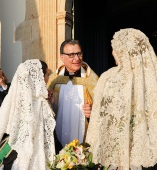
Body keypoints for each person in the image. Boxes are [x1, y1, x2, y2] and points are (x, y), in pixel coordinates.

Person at [86, 28, 157, 170]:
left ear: (122, 51)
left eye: (114, 49)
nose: (113, 53)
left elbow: (104, 116)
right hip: (143, 152)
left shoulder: (110, 77)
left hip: (114, 153)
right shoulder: (151, 78)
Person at [0, 59, 56, 170]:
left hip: (14, 152)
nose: (48, 78)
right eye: (47, 74)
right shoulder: (39, 102)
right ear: (39, 77)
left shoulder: (18, 98)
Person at [47, 39, 99, 148]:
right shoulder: (53, 80)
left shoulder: (93, 80)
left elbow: (103, 109)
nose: (77, 58)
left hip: (84, 140)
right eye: (71, 55)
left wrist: (93, 113)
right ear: (62, 57)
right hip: (57, 137)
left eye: (79, 53)